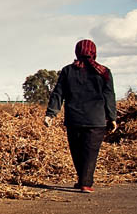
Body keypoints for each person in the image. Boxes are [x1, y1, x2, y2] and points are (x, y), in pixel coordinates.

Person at [44, 39, 117, 192]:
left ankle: (83, 180)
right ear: (94, 53)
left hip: (74, 119)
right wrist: (112, 117)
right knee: (90, 152)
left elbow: (58, 93)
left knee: (77, 151)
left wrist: (51, 113)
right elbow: (109, 95)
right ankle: (85, 182)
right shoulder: (104, 72)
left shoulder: (68, 71)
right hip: (96, 120)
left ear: (77, 52)